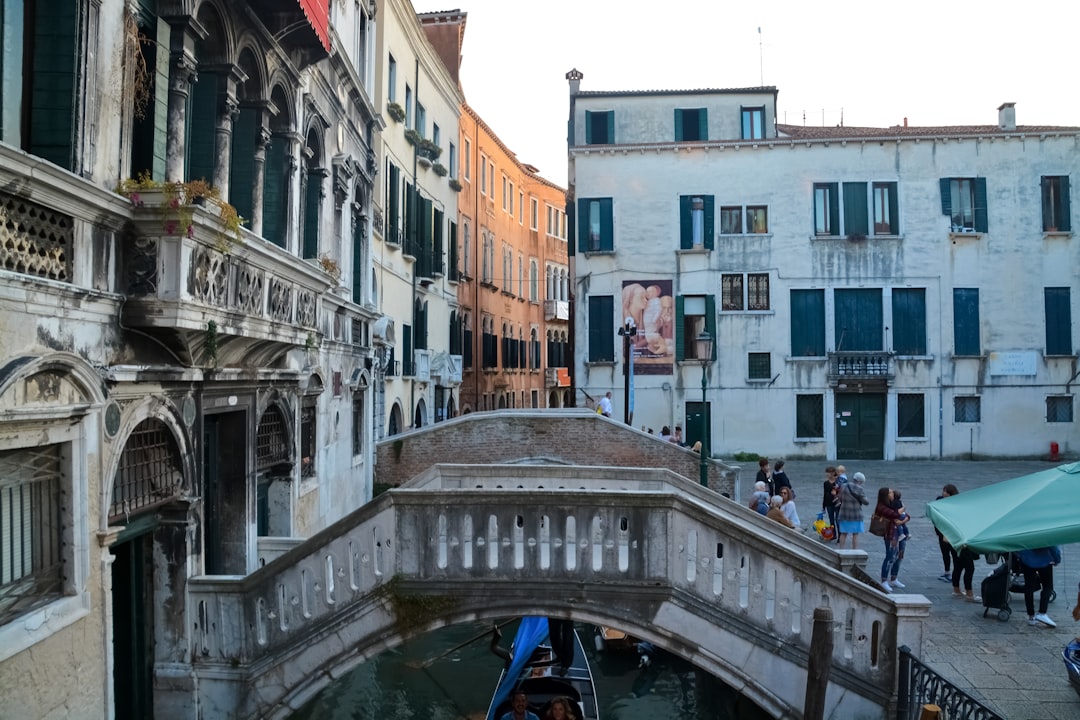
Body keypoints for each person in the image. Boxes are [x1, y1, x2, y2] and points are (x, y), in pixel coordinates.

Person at [874, 487, 908, 592]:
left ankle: (894, 578)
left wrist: (902, 520)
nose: (892, 493)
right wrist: (903, 510)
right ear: (885, 495)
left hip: (900, 532)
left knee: (900, 555)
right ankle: (884, 580)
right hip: (890, 534)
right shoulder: (881, 506)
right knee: (890, 556)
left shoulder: (894, 503)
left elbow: (906, 515)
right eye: (890, 492)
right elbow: (895, 514)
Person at [1017, 546, 1060, 627]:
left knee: (1029, 587)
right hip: (1044, 560)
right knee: (1048, 586)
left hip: (1027, 559)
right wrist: (1057, 559)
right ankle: (1042, 612)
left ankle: (1031, 616)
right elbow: (1053, 546)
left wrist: (1020, 556)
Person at [837, 471, 869, 549]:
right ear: (860, 481)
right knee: (855, 534)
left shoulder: (843, 486)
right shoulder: (860, 489)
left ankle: (841, 549)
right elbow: (866, 502)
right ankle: (854, 550)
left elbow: (840, 498)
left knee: (843, 533)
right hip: (856, 514)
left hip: (844, 513)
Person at [934, 484, 958, 581]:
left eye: (945, 491)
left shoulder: (956, 502)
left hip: (951, 532)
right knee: (945, 552)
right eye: (943, 491)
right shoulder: (939, 500)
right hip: (941, 531)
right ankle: (947, 571)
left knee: (953, 553)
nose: (943, 493)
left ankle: (954, 572)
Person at [821, 466, 841, 544]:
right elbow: (825, 494)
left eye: (828, 473)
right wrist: (823, 506)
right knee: (831, 520)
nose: (827, 474)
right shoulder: (826, 483)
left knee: (838, 520)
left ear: (833, 473)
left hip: (836, 503)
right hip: (829, 503)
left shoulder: (838, 482)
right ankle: (833, 534)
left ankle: (840, 535)